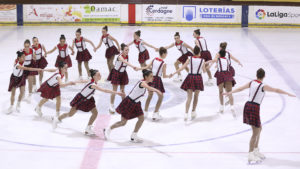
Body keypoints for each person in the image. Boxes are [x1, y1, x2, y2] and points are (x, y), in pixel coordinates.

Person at [223, 68, 296, 164]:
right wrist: (287, 93)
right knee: (255, 131)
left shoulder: (251, 82)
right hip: (254, 107)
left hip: (249, 105)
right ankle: (250, 154)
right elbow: (276, 89)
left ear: (256, 75)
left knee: (259, 129)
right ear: (264, 76)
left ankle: (256, 150)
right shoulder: (262, 86)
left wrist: (229, 92)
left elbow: (240, 88)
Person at [52, 69, 125, 135]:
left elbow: (85, 81)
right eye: (98, 75)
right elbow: (105, 90)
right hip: (81, 99)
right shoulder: (93, 85)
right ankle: (57, 119)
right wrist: (117, 92)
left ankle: (88, 128)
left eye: (100, 74)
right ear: (94, 76)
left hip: (88, 99)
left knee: (95, 113)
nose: (100, 76)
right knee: (70, 114)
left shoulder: (92, 80)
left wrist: (75, 82)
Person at [104, 70, 162, 143]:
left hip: (136, 103)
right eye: (151, 76)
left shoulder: (144, 82)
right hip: (129, 103)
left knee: (141, 118)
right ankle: (108, 129)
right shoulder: (142, 83)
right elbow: (149, 88)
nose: (152, 77)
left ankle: (134, 135)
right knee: (123, 122)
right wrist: (157, 90)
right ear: (146, 77)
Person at [170, 46, 206, 121]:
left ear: (193, 52)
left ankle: (186, 113)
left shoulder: (190, 58)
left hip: (190, 77)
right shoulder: (202, 60)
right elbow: (204, 71)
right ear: (199, 52)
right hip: (198, 78)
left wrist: (174, 73)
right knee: (196, 96)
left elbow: (182, 67)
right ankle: (193, 112)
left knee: (189, 97)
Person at [137, 47, 171, 120]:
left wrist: (138, 68)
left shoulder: (154, 59)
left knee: (150, 95)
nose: (166, 55)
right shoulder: (164, 63)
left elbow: (146, 67)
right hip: (157, 80)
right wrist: (169, 76)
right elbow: (164, 76)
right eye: (166, 53)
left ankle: (145, 112)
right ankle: (155, 113)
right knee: (161, 96)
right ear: (163, 53)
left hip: (151, 78)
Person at [107, 43, 138, 113]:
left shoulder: (127, 56)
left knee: (122, 91)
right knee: (114, 91)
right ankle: (111, 105)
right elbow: (124, 62)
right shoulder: (119, 57)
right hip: (116, 73)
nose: (127, 51)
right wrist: (133, 66)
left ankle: (124, 105)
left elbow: (126, 62)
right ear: (122, 50)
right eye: (126, 50)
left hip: (123, 73)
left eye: (128, 50)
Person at [208, 47, 236, 117]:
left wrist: (205, 62)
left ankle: (221, 107)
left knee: (221, 92)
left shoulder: (218, 59)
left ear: (220, 54)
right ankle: (232, 106)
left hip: (220, 75)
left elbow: (213, 60)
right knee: (229, 92)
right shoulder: (227, 60)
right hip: (228, 74)